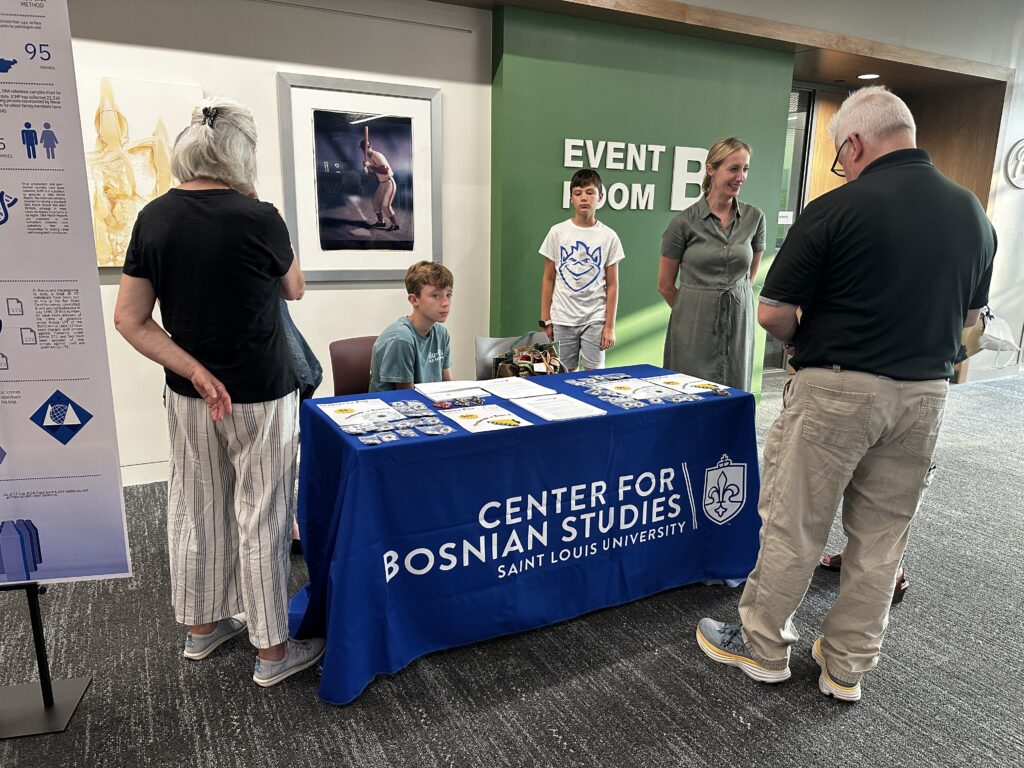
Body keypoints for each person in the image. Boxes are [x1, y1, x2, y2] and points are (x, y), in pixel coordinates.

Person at [695, 86, 996, 702]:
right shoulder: (972, 212)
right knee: (883, 538)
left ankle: (763, 647)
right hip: (925, 397)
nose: (843, 166)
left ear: (854, 144)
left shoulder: (837, 208)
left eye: (840, 156)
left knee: (794, 524)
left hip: (836, 390)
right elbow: (971, 320)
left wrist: (803, 343)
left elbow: (773, 311)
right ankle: (847, 665)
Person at [114, 96, 325, 688]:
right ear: (242, 154)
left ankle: (202, 630)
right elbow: (294, 289)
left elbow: (130, 319)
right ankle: (272, 652)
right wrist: (258, 205)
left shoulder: (153, 218)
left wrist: (196, 371)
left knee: (196, 508)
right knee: (263, 515)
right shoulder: (260, 217)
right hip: (263, 394)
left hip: (189, 395)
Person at [657, 137, 765, 390]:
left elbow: (750, 275)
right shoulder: (683, 223)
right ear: (711, 169)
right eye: (734, 168)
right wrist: (695, 309)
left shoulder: (755, 218)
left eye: (745, 169)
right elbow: (665, 285)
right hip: (693, 323)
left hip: (738, 321)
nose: (741, 177)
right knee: (688, 391)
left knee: (733, 389)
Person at [538, 168, 624, 371]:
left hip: (595, 318)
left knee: (594, 375)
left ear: (600, 197)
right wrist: (545, 320)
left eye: (590, 192)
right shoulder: (557, 232)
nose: (584, 198)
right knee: (563, 374)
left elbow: (612, 285)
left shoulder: (609, 236)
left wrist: (609, 326)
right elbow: (548, 278)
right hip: (562, 318)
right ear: (571, 198)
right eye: (578, 193)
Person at [369, 260, 453, 391]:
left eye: (448, 295)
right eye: (436, 295)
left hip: (431, 400)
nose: (446, 303)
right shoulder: (402, 339)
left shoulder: (441, 334)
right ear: (414, 300)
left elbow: (448, 385)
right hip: (400, 402)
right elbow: (407, 396)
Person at [359, 138, 399, 231]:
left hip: (389, 182)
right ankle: (381, 222)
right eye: (362, 148)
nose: (363, 150)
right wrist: (368, 172)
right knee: (376, 203)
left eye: (365, 147)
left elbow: (385, 171)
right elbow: (375, 176)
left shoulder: (376, 155)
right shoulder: (370, 159)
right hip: (382, 183)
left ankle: (395, 225)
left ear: (370, 147)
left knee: (385, 206)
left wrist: (370, 166)